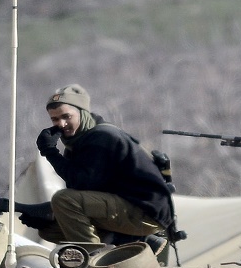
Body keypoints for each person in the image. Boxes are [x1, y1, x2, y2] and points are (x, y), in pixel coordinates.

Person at [22, 85, 175, 246]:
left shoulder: (101, 137)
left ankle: (94, 256)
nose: (61, 124)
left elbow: (81, 184)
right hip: (128, 207)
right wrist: (47, 213)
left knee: (63, 200)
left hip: (145, 210)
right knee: (50, 230)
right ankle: (130, 241)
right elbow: (82, 192)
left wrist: (50, 152)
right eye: (55, 119)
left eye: (67, 116)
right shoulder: (78, 143)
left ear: (82, 113)